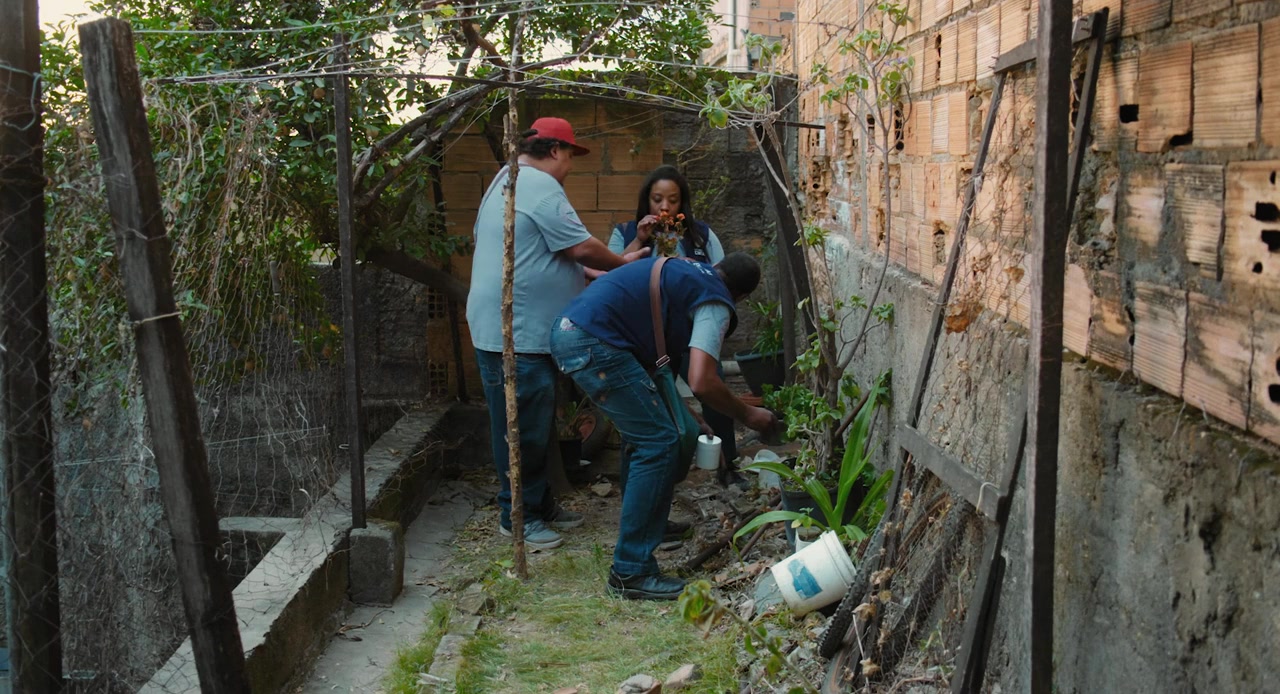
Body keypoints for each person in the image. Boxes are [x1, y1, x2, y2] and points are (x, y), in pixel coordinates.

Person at [548, 253, 779, 600]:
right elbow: (702, 381)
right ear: (742, 296)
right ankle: (631, 571)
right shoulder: (715, 300)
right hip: (595, 341)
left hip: (575, 331)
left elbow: (661, 372)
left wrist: (689, 415)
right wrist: (749, 415)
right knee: (657, 442)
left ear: (718, 267)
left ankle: (648, 524)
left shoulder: (686, 272)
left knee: (650, 433)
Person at [466, 117, 648, 551]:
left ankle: (539, 504)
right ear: (553, 151)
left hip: (506, 328)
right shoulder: (539, 185)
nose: (570, 165)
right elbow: (581, 246)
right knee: (522, 430)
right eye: (569, 155)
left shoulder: (506, 180)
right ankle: (518, 518)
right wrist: (624, 267)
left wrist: (594, 273)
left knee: (531, 424)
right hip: (516, 332)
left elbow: (542, 254)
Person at [608, 166, 743, 490]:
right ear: (646, 201)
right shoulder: (625, 233)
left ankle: (728, 465)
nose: (664, 208)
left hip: (690, 333)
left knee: (713, 388)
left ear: (683, 203)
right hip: (642, 336)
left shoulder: (701, 236)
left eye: (673, 200)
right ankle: (638, 480)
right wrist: (640, 240)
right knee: (643, 404)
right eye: (657, 200)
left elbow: (719, 281)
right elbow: (608, 274)